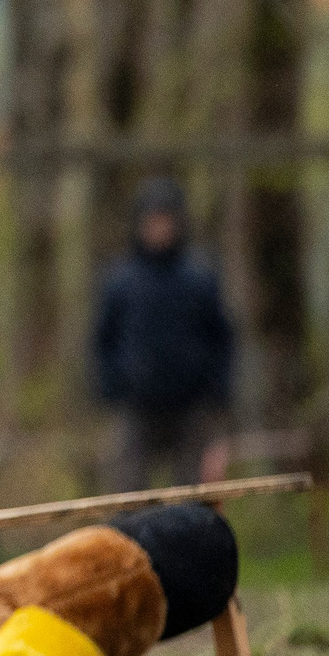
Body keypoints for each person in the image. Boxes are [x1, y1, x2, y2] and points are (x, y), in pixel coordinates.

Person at [91, 178, 238, 491]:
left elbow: (222, 337)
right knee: (128, 496)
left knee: (191, 498)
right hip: (136, 405)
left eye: (165, 220)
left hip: (191, 407)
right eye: (152, 221)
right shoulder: (121, 280)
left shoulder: (199, 277)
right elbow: (104, 339)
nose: (159, 229)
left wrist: (219, 392)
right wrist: (110, 386)